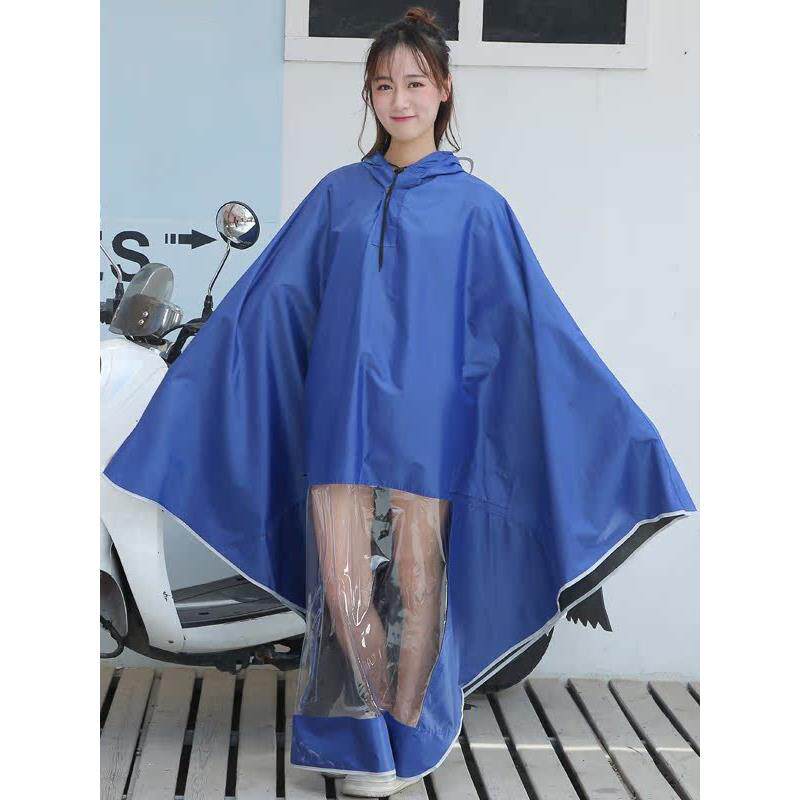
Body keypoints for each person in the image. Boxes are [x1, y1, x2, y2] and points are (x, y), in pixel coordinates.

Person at [102, 6, 697, 797]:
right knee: (341, 579)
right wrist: (194, 383)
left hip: (426, 425)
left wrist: (619, 432)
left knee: (417, 581)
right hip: (339, 418)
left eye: (415, 83)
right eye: (384, 86)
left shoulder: (478, 209)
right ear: (369, 97)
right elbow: (271, 306)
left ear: (444, 90)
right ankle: (359, 740)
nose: (400, 99)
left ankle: (408, 730)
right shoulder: (337, 198)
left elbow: (528, 327)